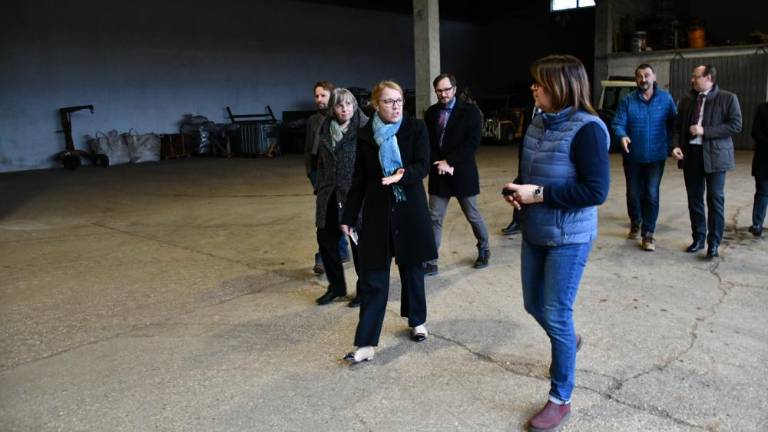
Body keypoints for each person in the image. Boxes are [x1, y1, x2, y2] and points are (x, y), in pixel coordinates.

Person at [502, 55, 610, 432]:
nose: (534, 88)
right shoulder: (537, 122)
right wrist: (517, 190)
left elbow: (596, 191)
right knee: (534, 304)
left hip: (570, 235)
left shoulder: (588, 129)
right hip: (536, 229)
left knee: (556, 311)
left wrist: (538, 194)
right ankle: (569, 341)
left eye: (541, 83)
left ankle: (561, 398)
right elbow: (529, 173)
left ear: (562, 87)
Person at [340, 80, 437, 363]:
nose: (396, 106)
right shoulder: (365, 135)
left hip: (409, 209)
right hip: (377, 213)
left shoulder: (416, 128)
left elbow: (423, 164)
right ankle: (366, 344)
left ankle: (417, 321)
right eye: (388, 101)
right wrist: (348, 216)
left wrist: (402, 175)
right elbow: (359, 179)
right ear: (375, 104)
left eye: (399, 101)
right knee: (373, 278)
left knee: (412, 270)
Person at [671, 65, 742, 258]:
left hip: (716, 156)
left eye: (696, 76)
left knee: (715, 199)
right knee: (694, 200)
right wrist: (676, 145)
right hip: (692, 155)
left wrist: (705, 131)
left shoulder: (728, 98)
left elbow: (736, 125)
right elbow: (677, 126)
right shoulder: (687, 99)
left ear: (708, 78)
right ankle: (698, 238)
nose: (692, 80)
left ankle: (714, 243)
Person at [423, 73, 490, 276]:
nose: (443, 94)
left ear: (454, 89)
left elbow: (473, 142)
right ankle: (431, 260)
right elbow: (429, 142)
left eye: (446, 90)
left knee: (472, 215)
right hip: (439, 172)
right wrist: (438, 163)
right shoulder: (431, 113)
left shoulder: (470, 111)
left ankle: (484, 249)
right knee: (434, 218)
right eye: (439, 91)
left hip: (462, 172)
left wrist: (450, 162)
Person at [612, 63, 677, 251]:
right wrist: (622, 135)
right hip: (633, 156)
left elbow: (674, 124)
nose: (643, 79)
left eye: (647, 75)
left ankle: (648, 233)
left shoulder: (665, 99)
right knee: (633, 193)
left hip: (656, 156)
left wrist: (673, 145)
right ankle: (636, 221)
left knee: (651, 193)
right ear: (636, 80)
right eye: (639, 76)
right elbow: (618, 123)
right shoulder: (628, 100)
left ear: (654, 77)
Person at [314, 89, 369, 307]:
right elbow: (321, 161)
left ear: (354, 105)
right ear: (333, 108)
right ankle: (336, 287)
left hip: (354, 196)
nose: (344, 109)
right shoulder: (326, 127)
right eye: (339, 105)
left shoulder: (365, 128)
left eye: (348, 104)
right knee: (326, 241)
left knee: (358, 245)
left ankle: (364, 290)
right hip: (329, 194)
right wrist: (320, 187)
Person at [304, 81, 349, 274]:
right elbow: (308, 149)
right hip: (318, 173)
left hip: (336, 175)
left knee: (329, 216)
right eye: (316, 96)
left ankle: (324, 257)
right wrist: (310, 172)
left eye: (323, 95)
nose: (319, 99)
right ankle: (341, 251)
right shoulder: (313, 120)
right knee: (328, 215)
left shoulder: (341, 118)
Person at [749, 102, 768, 237]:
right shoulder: (762, 108)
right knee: (762, 192)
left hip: (763, 156)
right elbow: (755, 131)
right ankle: (757, 224)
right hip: (764, 158)